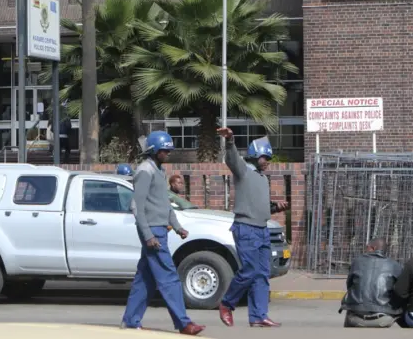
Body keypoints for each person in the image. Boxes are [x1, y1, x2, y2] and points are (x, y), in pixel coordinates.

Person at [120, 131, 205, 335]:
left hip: (160, 229)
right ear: (154, 150)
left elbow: (164, 204)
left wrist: (177, 226)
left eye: (168, 150)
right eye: (164, 150)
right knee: (169, 277)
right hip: (153, 232)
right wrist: (148, 235)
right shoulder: (144, 171)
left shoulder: (158, 170)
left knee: (145, 279)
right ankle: (183, 323)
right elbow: (137, 207)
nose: (168, 153)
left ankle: (131, 321)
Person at [216, 127, 289, 328]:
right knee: (248, 270)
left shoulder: (262, 178)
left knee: (262, 274)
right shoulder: (244, 171)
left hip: (262, 229)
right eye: (265, 157)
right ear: (255, 155)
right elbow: (232, 159)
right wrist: (230, 140)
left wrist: (275, 206)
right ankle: (226, 303)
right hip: (246, 228)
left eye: (268, 158)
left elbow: (260, 206)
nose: (267, 161)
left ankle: (258, 315)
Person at [339, 238, 403, 328]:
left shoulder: (357, 262)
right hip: (385, 318)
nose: (365, 250)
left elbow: (349, 285)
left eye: (367, 247)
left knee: (349, 299)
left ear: (373, 248)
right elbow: (399, 290)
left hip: (356, 317)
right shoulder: (395, 265)